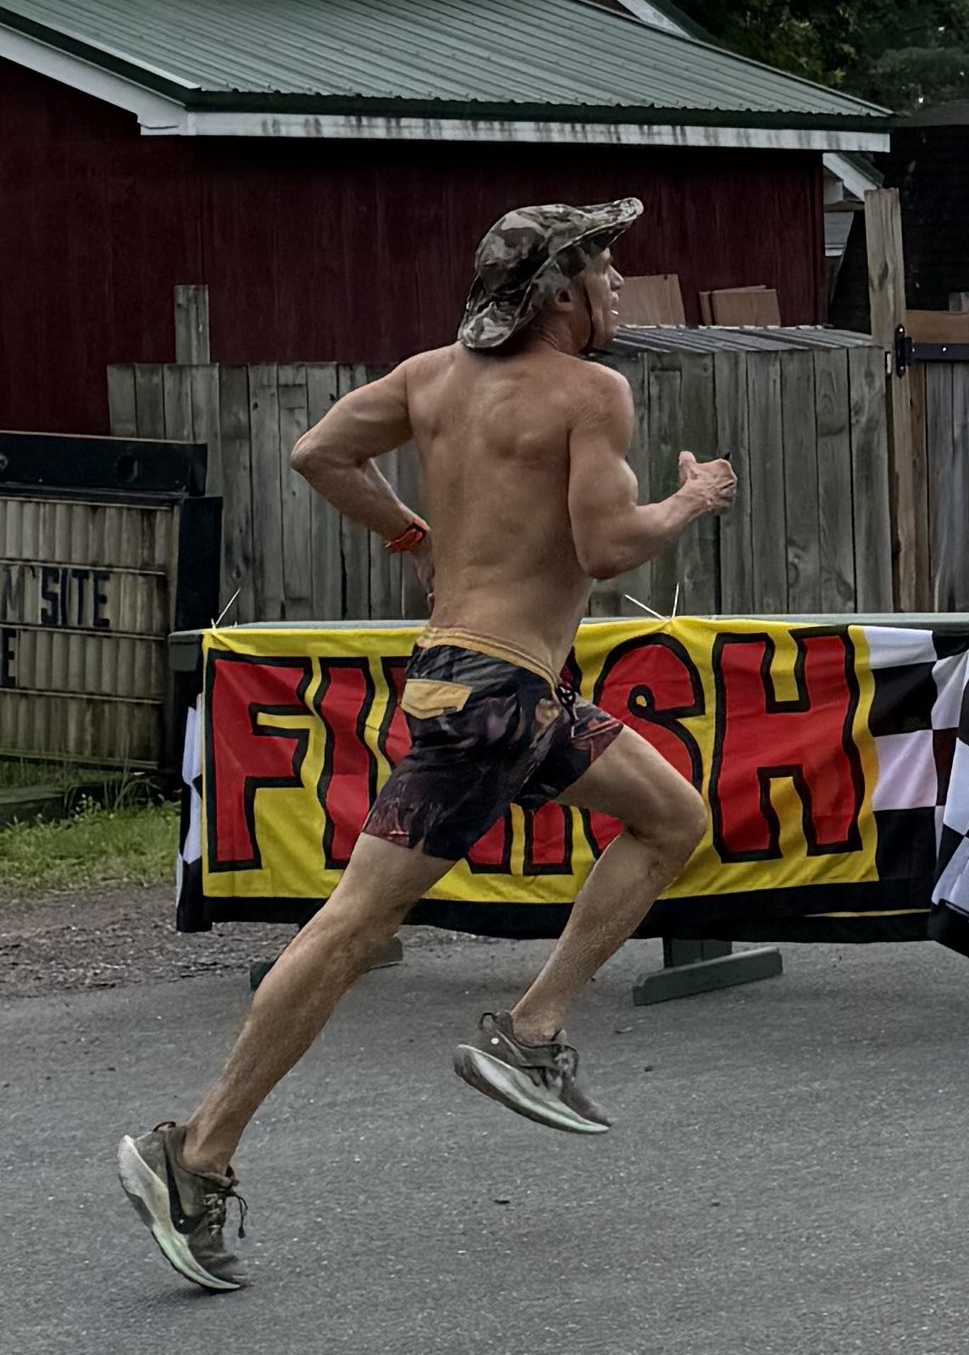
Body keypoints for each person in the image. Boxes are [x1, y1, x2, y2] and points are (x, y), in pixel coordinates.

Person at [117, 198, 739, 1290]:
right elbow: (604, 544)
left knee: (672, 813)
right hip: (497, 695)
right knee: (354, 927)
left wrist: (416, 535)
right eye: (602, 270)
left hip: (484, 685)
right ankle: (198, 1152)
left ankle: (532, 1032)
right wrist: (691, 499)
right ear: (557, 291)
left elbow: (318, 452)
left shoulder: (429, 376)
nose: (615, 289)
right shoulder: (595, 393)